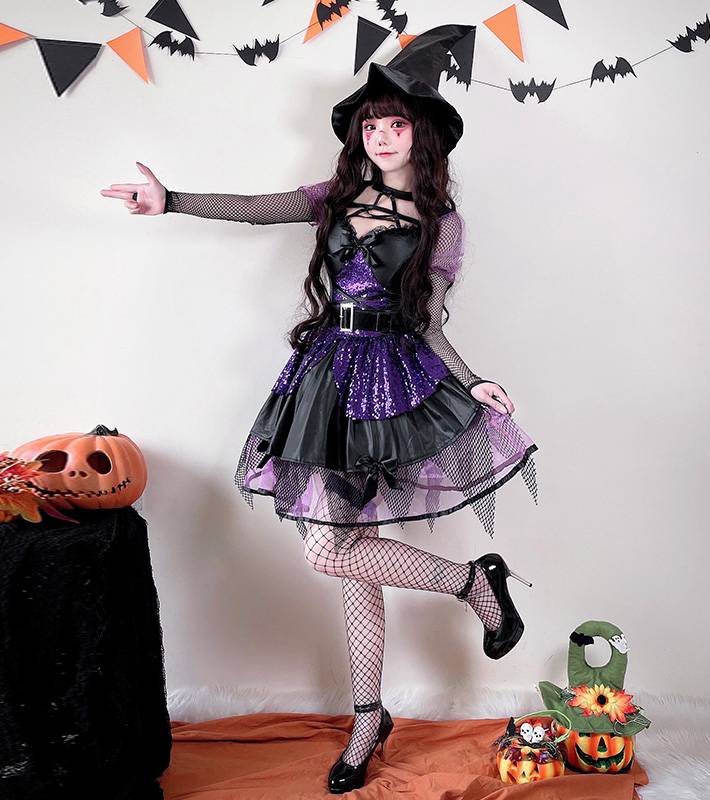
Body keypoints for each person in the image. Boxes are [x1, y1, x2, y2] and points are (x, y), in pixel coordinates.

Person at [101, 25, 538, 795]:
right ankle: (371, 715)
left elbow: (430, 320)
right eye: (371, 125)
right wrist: (171, 200)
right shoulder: (332, 197)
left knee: (334, 550)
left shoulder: (442, 222)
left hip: (391, 384)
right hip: (325, 379)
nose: (381, 136)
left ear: (423, 132)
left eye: (395, 123)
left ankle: (474, 582)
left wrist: (472, 382)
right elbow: (253, 207)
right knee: (344, 553)